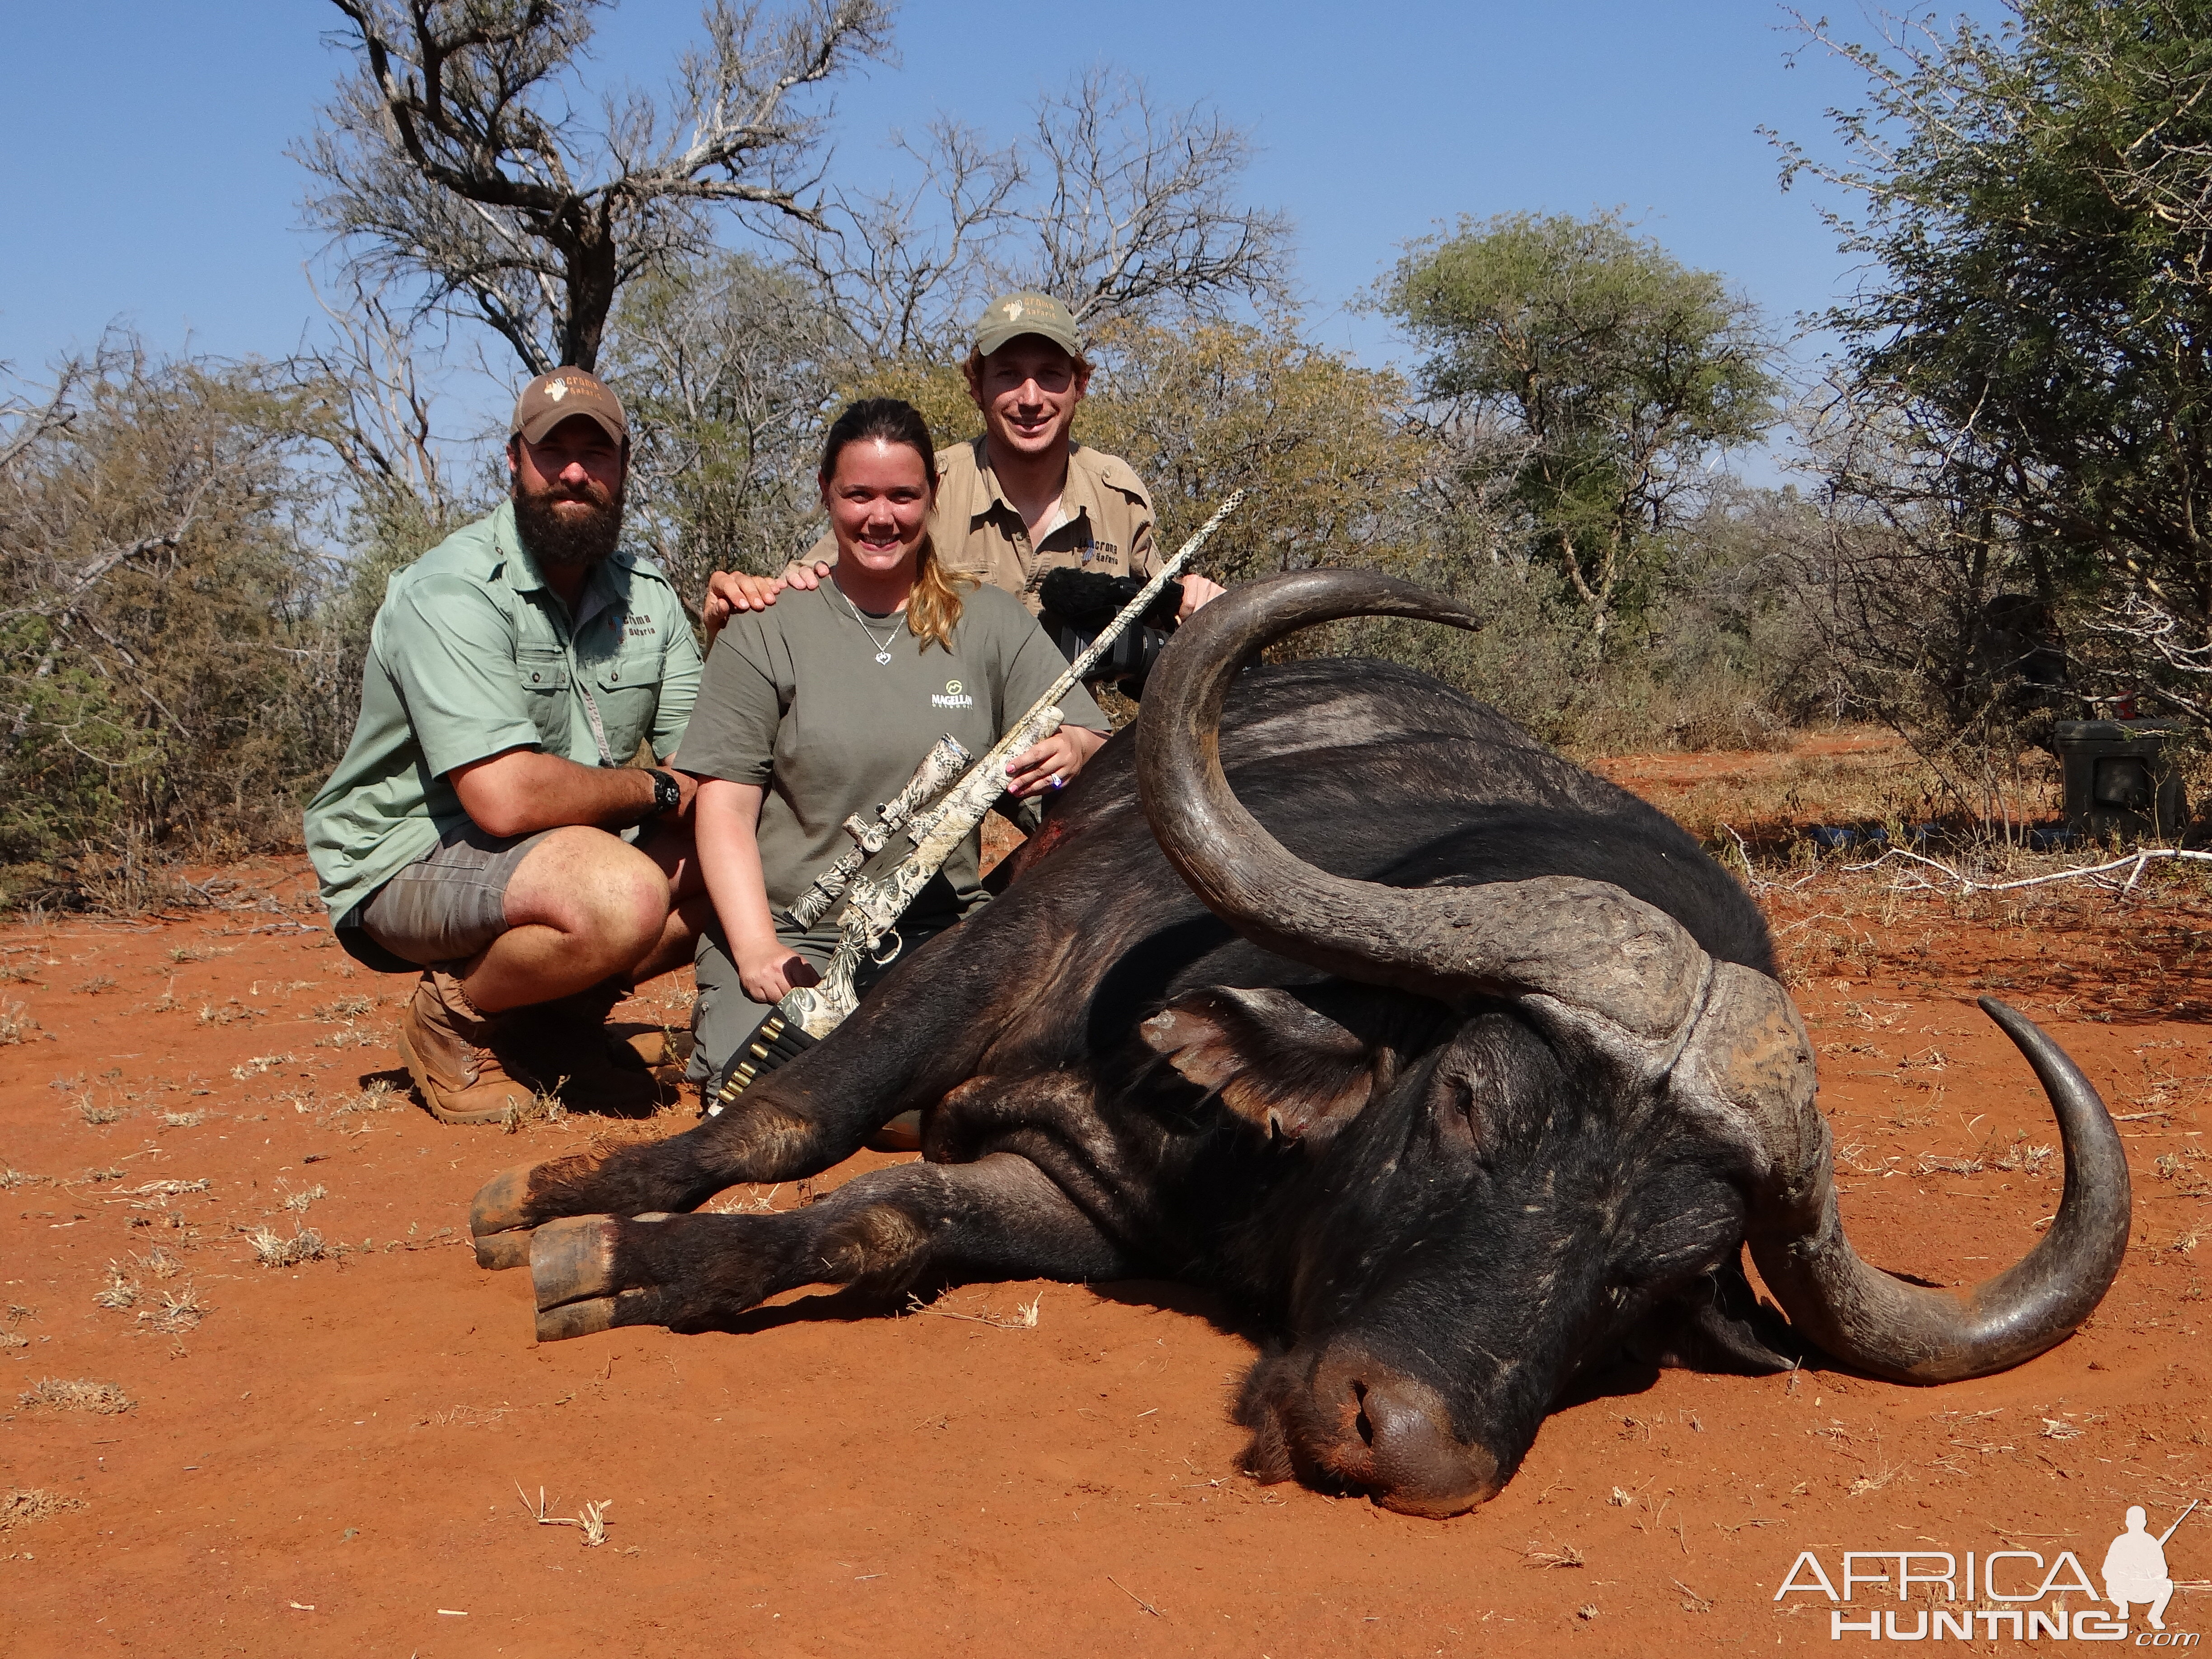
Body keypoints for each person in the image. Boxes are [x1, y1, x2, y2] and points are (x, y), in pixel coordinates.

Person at [677, 397, 1110, 1111]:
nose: (882, 517)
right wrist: (755, 949)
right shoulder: (766, 627)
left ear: (932, 498)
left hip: (940, 938)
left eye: (904, 496)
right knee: (774, 1102)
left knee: (1018, 1087)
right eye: (860, 495)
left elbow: (1088, 738)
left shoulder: (991, 620)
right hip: (796, 935)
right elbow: (725, 804)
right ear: (827, 494)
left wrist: (1075, 745)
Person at [304, 369, 708, 1125]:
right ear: (514, 461)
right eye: (555, 452)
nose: (577, 472)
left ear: (625, 465)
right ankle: (454, 1017)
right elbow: (506, 796)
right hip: (411, 854)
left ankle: (550, 1027)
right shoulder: (450, 589)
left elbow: (706, 768)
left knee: (743, 850)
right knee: (622, 892)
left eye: (599, 451)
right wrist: (655, 787)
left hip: (562, 854)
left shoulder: (647, 593)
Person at [700, 290, 1225, 639]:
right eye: (1007, 375)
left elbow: (1167, 617)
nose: (1030, 397)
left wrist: (1204, 609)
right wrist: (739, 604)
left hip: (1077, 745)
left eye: (1050, 374)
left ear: (1080, 385)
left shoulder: (1118, 495)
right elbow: (808, 590)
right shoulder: (927, 490)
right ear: (976, 387)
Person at [2102, 1505, 2176, 1630]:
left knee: (2167, 1584)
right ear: (2128, 1523)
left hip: (2146, 1589)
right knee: (2111, 1583)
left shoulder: (2151, 1543)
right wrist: (2125, 1572)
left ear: (2144, 1523)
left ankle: (2155, 1616)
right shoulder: (2120, 1542)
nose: (2136, 1524)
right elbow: (2107, 1570)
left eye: (2138, 1521)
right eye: (2134, 1521)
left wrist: (2148, 1572)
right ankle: (2123, 1606)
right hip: (2124, 1588)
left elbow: (2163, 1572)